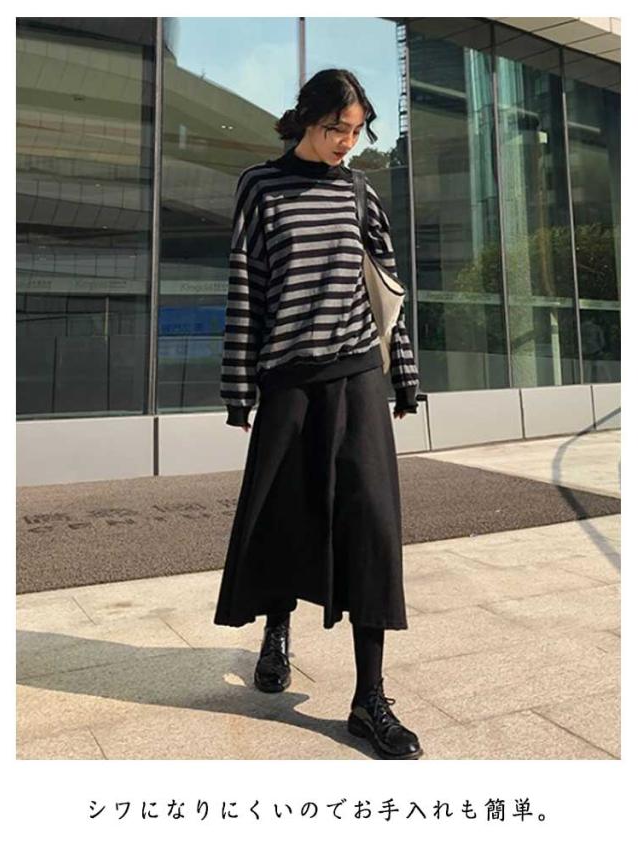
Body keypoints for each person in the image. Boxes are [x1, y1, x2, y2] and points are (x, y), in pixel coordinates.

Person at [213, 68, 423, 760]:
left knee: (371, 527)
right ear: (307, 118)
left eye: (356, 132)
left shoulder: (359, 192)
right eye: (337, 128)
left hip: (356, 372)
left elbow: (389, 292)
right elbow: (246, 285)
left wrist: (405, 378)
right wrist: (239, 387)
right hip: (288, 379)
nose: (346, 143)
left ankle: (370, 698)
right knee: (283, 512)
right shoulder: (260, 187)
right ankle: (277, 631)